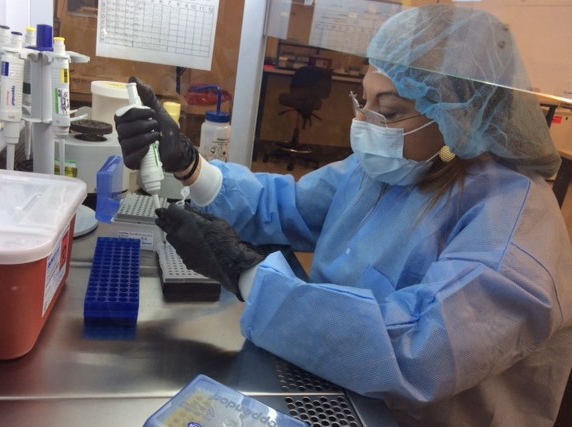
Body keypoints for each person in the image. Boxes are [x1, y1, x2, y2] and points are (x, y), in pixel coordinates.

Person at [114, 4, 572, 426]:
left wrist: (246, 274)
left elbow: (417, 348)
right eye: (364, 101)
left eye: (389, 110)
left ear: (460, 118)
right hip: (333, 383)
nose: (365, 122)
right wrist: (189, 163)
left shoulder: (513, 225)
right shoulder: (393, 168)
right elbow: (288, 205)